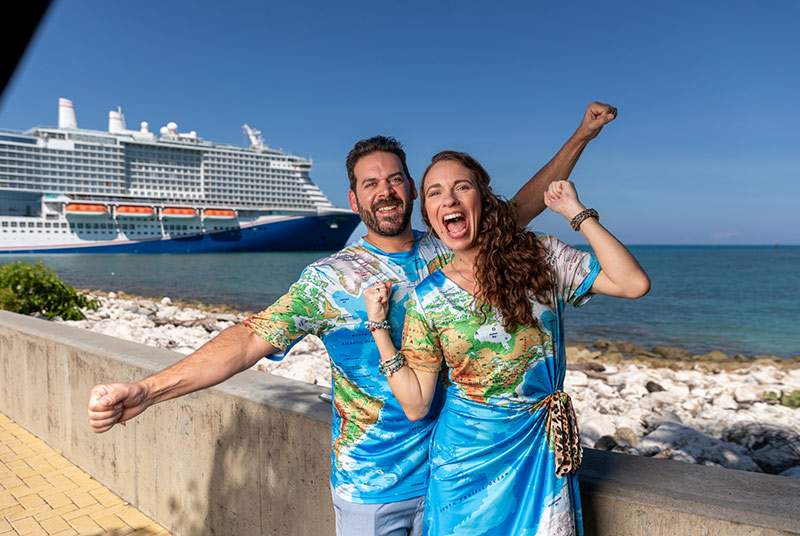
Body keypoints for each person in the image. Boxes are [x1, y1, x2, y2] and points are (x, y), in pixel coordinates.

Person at [87, 102, 617, 536]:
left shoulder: (454, 249)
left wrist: (581, 136)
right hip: (373, 489)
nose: (384, 191)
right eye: (370, 184)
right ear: (354, 198)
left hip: (452, 478)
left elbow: (524, 205)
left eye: (394, 180)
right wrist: (150, 390)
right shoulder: (330, 279)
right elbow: (249, 339)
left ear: (412, 189)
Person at [363, 151, 649, 535]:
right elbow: (416, 404)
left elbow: (633, 283)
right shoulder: (427, 297)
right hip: (465, 468)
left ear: (483, 197)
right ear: (429, 213)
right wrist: (379, 328)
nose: (448, 199)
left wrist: (576, 213)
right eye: (434, 193)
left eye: (461, 187)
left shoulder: (541, 258)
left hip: (539, 452)